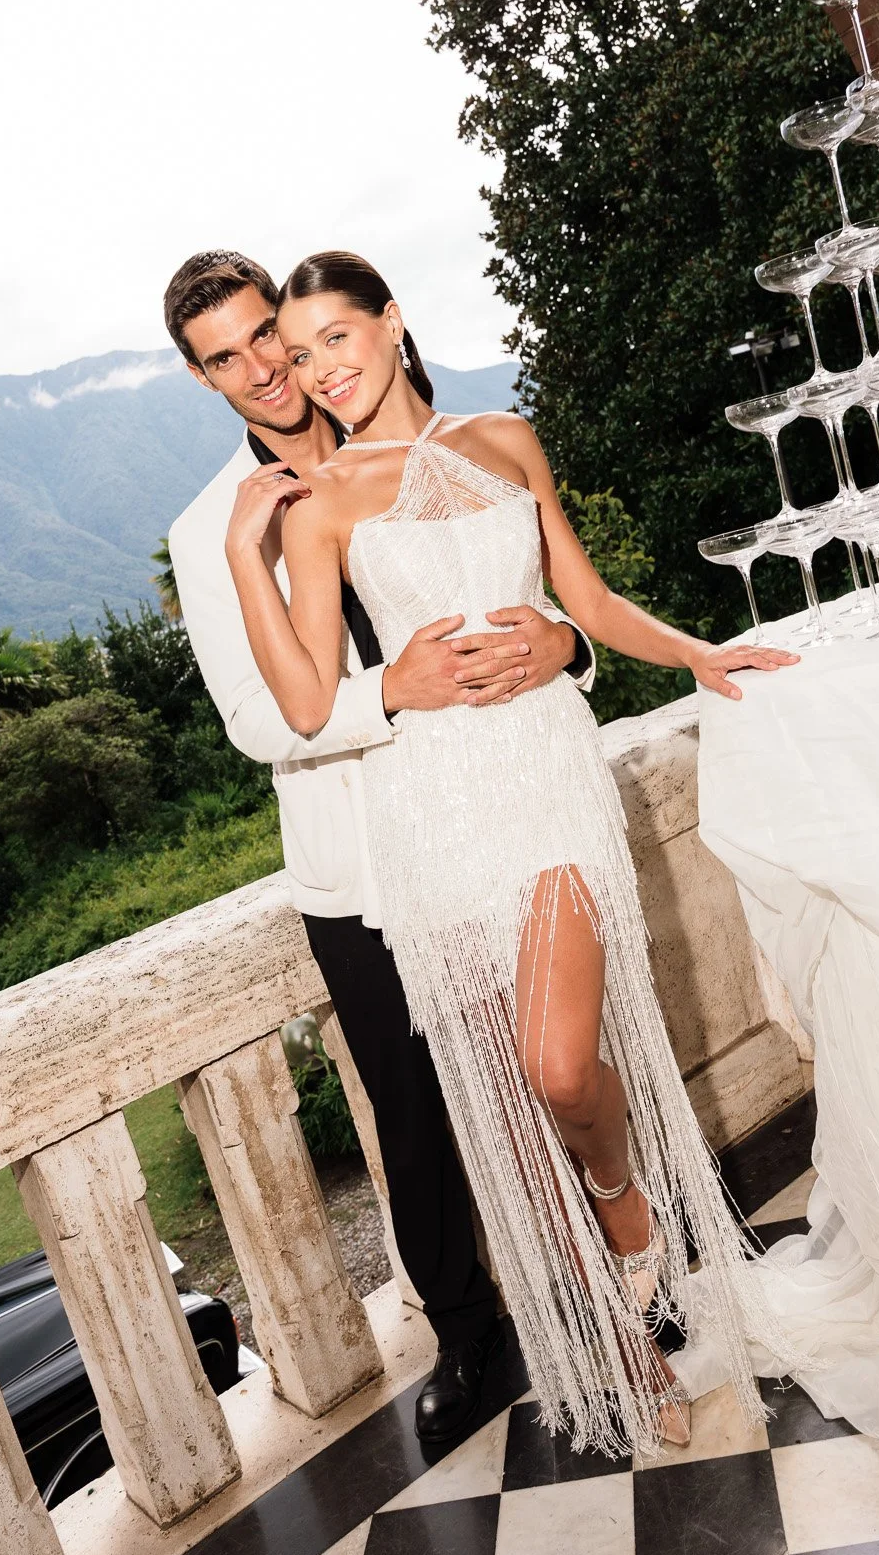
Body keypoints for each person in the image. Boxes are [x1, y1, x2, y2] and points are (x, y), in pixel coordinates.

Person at [226, 250, 801, 1454]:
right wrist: (248, 558)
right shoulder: (321, 500)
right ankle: (622, 1344)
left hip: (544, 778)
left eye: (338, 336)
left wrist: (698, 653)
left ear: (392, 325)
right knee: (507, 1088)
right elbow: (299, 695)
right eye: (302, 348)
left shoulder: (504, 440)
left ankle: (624, 1198)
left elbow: (583, 602)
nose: (321, 367)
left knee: (557, 1066)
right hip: (433, 807)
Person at [165, 249, 599, 1442]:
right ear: (202, 380)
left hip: (494, 812)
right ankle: (470, 1335)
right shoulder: (212, 527)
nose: (263, 370)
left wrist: (573, 646)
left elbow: (532, 591)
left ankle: (607, 1286)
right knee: (413, 1114)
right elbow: (261, 721)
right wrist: (391, 692)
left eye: (270, 337)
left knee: (544, 1069)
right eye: (227, 359)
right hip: (358, 862)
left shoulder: (426, 434)